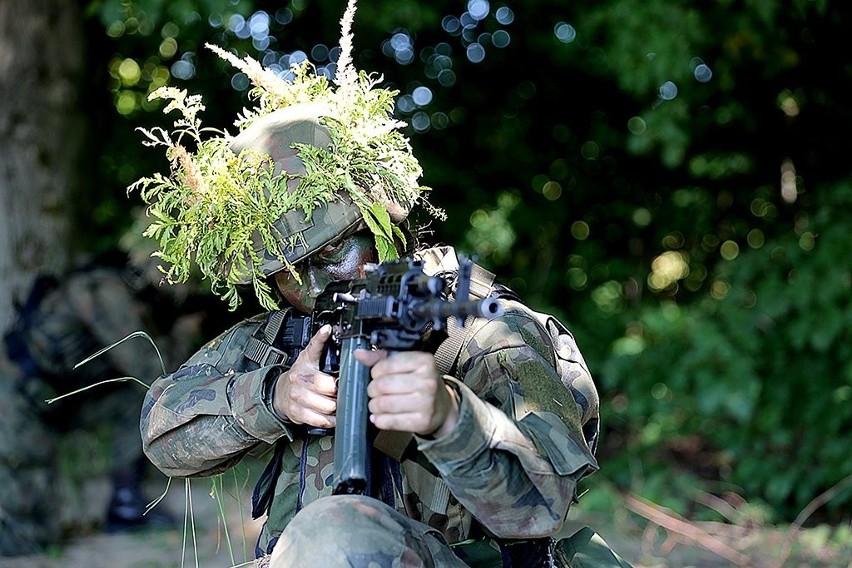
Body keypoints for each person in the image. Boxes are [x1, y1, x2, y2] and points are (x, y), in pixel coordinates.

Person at [134, 1, 632, 566]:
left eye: (335, 248)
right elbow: (161, 433)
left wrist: (449, 417)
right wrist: (272, 396)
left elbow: (543, 507)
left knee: (335, 534)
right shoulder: (288, 340)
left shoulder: (482, 332)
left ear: (383, 220)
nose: (321, 280)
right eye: (291, 272)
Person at [0, 248, 204, 556]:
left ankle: (126, 504)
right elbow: (153, 370)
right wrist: (184, 332)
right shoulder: (104, 291)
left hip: (54, 398)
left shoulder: (112, 288)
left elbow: (143, 382)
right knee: (28, 537)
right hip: (17, 402)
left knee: (135, 397)